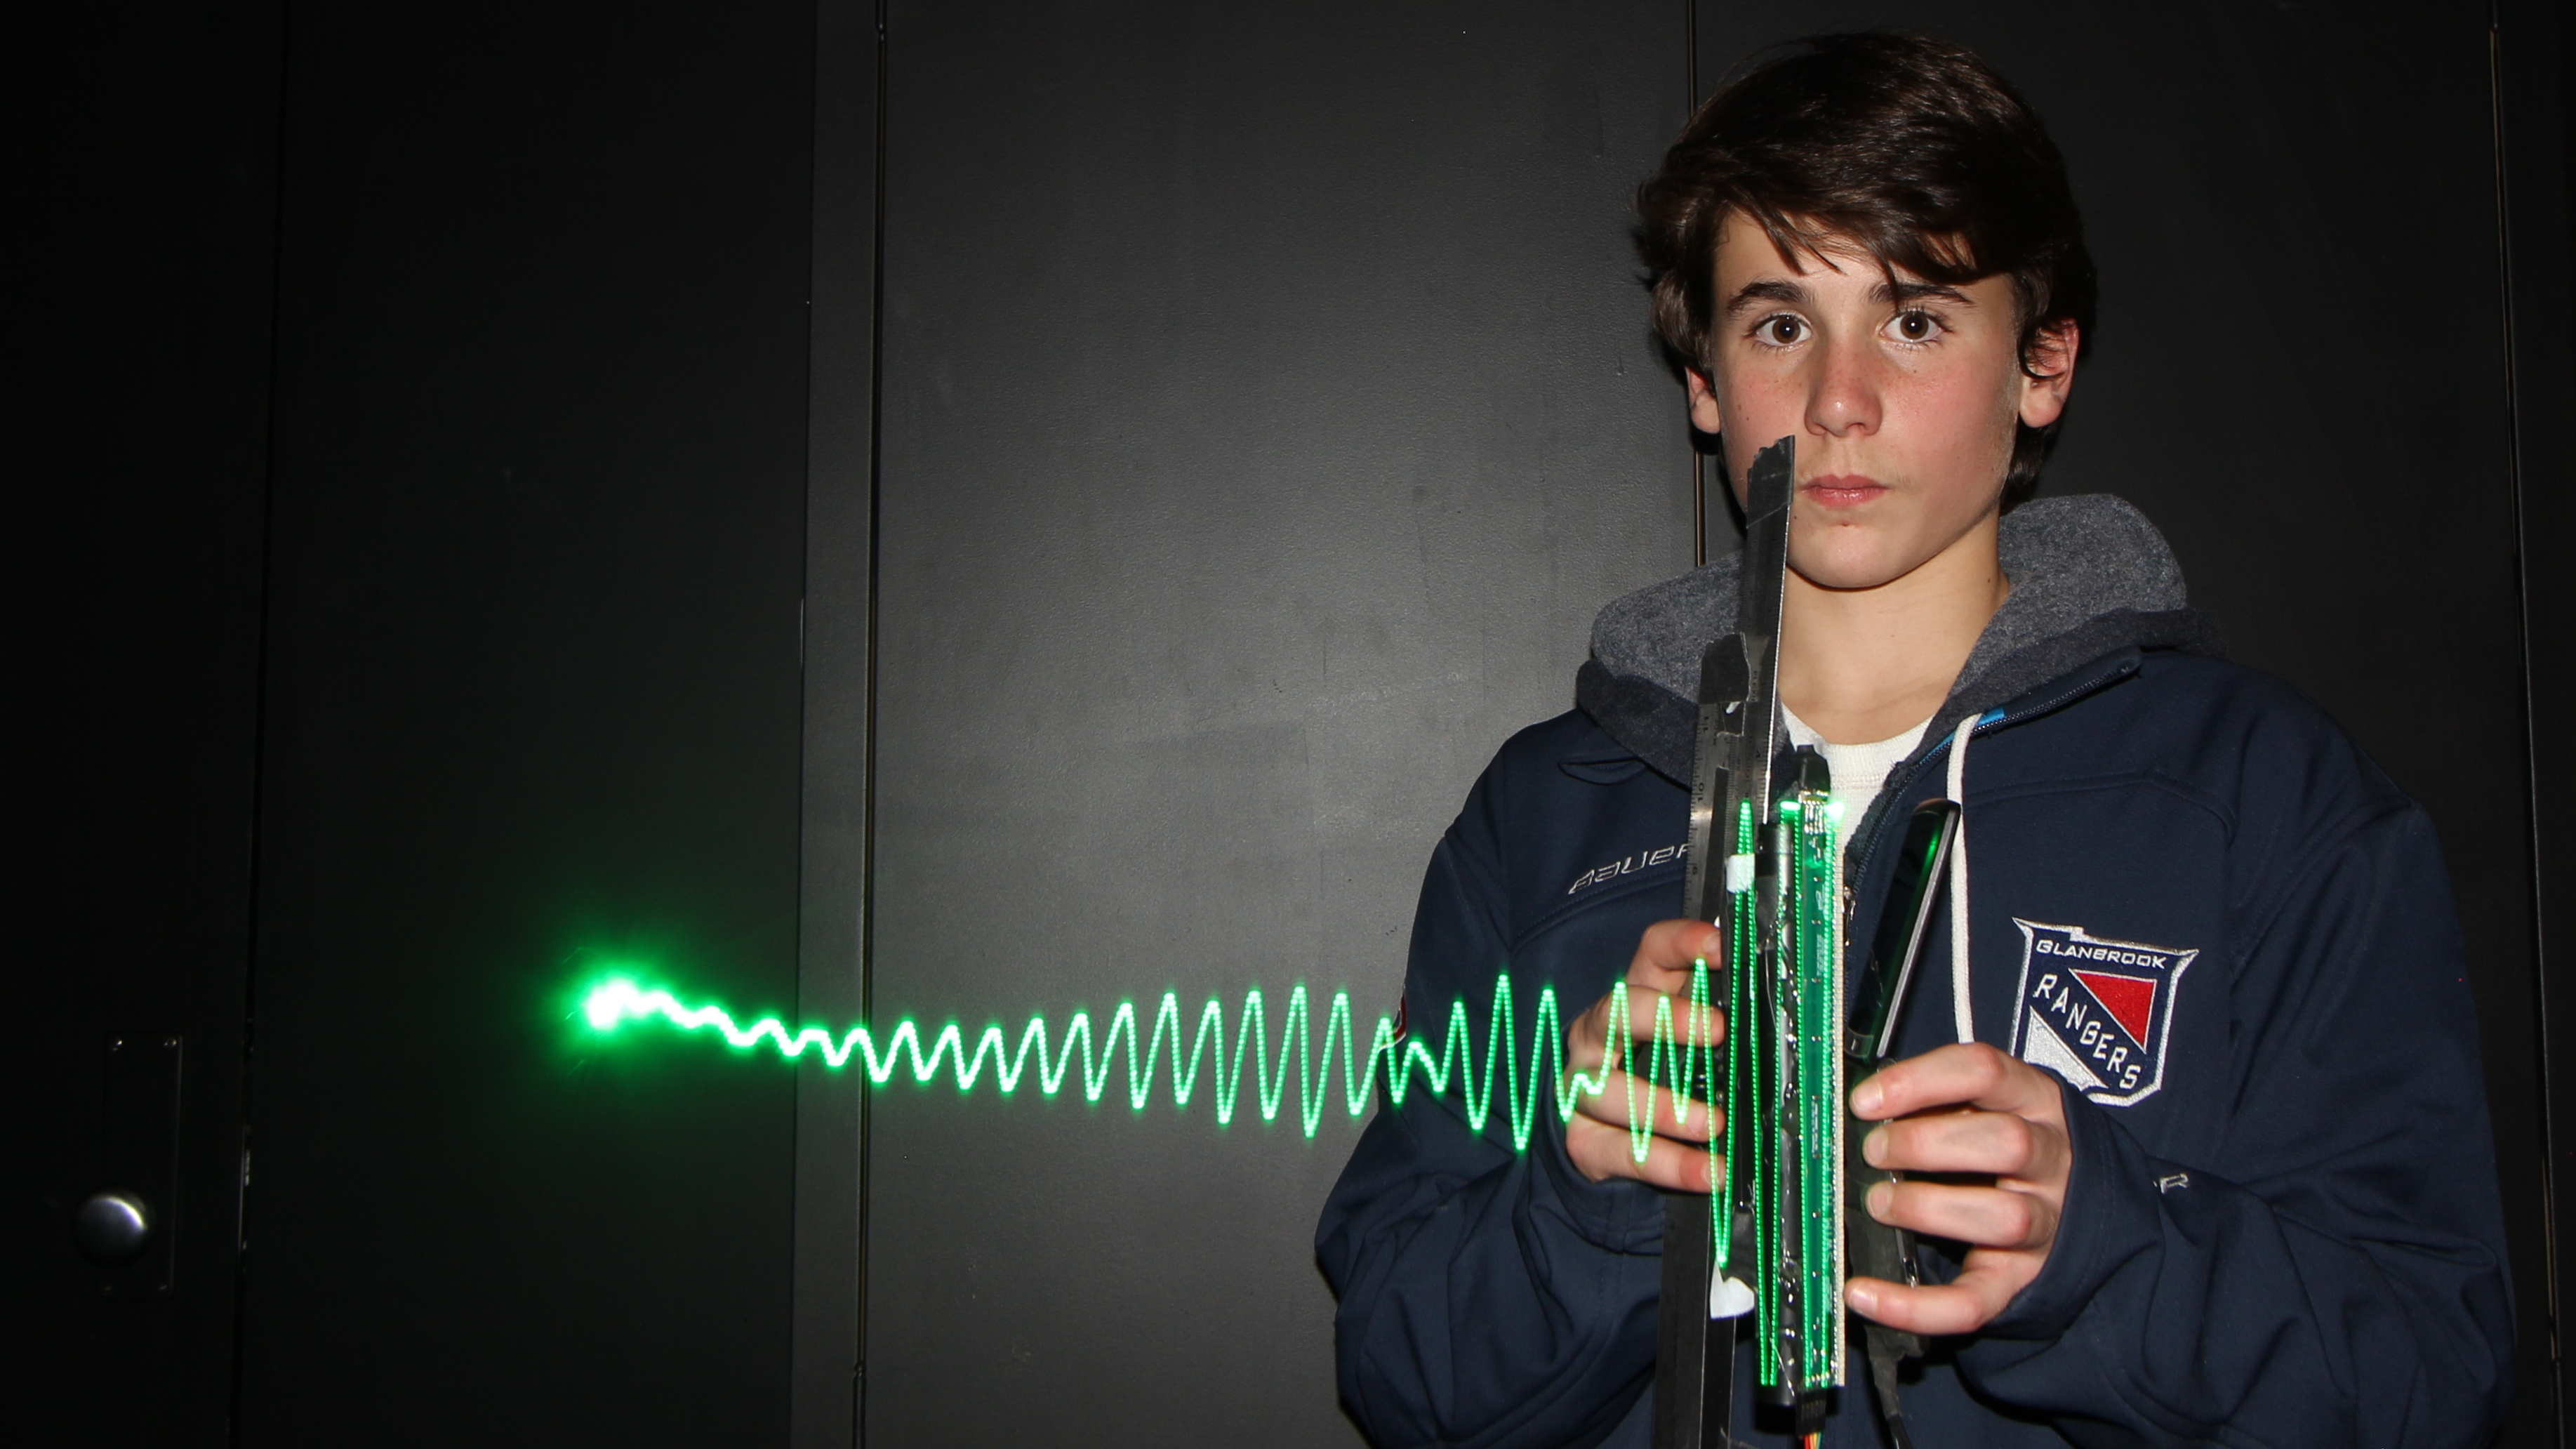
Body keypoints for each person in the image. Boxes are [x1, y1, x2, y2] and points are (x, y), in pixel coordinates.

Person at [1315, 32, 2513, 1449]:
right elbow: (1405, 1374)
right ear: (1702, 379)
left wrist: (2099, 1245)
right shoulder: (1548, 811)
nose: (1838, 401)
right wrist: (1588, 1198)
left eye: (1916, 321)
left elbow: (2427, 1373)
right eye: (1778, 326)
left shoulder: (2261, 794)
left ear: (2042, 365)